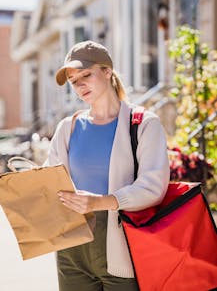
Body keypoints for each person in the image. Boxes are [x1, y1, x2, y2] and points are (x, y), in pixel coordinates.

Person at [45, 40, 170, 291]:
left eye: (86, 74)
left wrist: (100, 202)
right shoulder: (67, 128)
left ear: (107, 71)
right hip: (71, 249)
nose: (80, 85)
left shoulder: (144, 124)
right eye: (73, 80)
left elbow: (153, 185)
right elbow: (50, 181)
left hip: (121, 247)